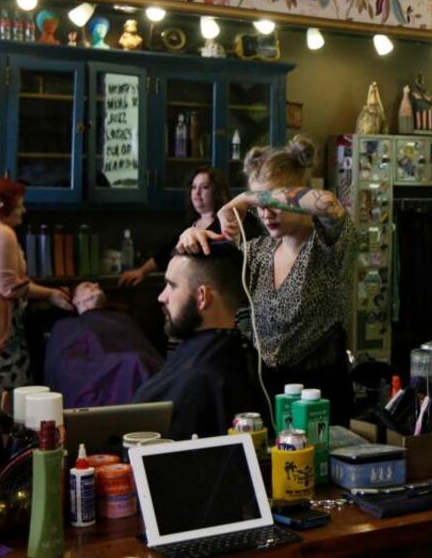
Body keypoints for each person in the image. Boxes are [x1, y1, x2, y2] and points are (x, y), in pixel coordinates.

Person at [177, 136, 356, 426]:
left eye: (273, 199)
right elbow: (199, 276)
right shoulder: (256, 252)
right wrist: (189, 239)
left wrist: (248, 198)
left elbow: (327, 203)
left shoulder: (328, 247)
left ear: (299, 193)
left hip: (320, 398)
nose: (265, 212)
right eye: (260, 203)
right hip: (261, 393)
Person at [131, 244, 268, 439]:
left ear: (202, 297)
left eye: (172, 286)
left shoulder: (203, 376)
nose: (162, 297)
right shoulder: (224, 358)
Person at [0, 178, 74, 393]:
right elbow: (10, 287)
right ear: (2, 207)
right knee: (5, 400)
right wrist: (51, 293)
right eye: (19, 205)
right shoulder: (0, 234)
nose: (23, 210)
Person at [44, 282, 163, 407]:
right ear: (75, 300)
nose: (96, 284)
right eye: (86, 286)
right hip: (94, 387)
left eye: (97, 286)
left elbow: (146, 351)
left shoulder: (123, 319)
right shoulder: (65, 327)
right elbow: (66, 368)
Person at [120, 167, 243, 286]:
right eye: (194, 187)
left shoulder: (227, 224)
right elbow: (165, 254)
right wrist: (142, 271)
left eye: (204, 187)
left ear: (217, 192)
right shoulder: (191, 225)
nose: (197, 193)